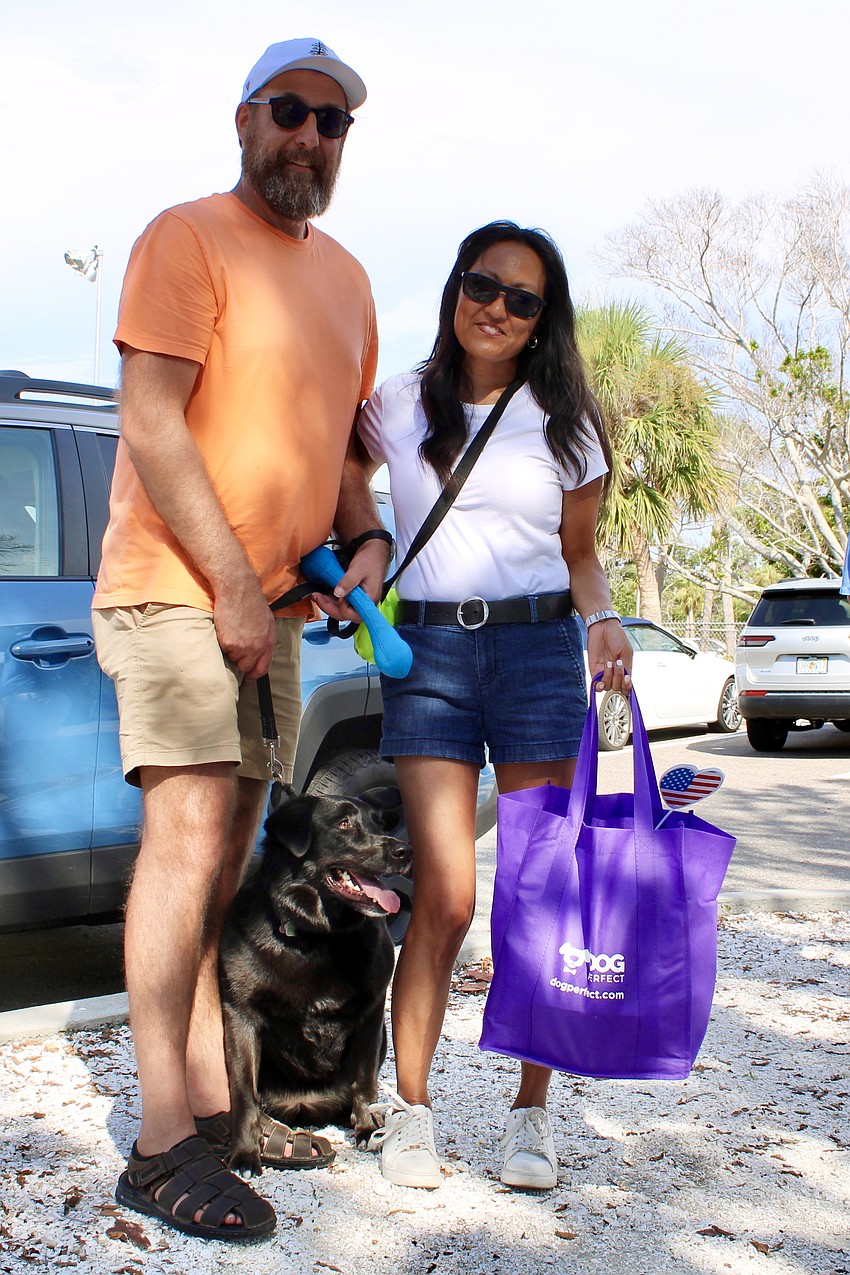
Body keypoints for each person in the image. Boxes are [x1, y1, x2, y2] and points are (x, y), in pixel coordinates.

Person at [91, 38, 390, 1240]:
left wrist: (360, 543)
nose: (309, 138)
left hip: (268, 609)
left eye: (331, 123)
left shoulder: (351, 279)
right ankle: (162, 1141)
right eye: (290, 112)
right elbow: (152, 420)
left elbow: (349, 454)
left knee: (231, 855)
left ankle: (217, 1102)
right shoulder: (186, 237)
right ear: (245, 118)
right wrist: (226, 578)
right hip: (175, 584)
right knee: (190, 829)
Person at [356, 221, 632, 1191]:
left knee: (533, 897)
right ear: (455, 286)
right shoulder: (392, 403)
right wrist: (366, 556)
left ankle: (529, 1118)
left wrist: (602, 622)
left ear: (541, 320)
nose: (499, 309)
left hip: (536, 651)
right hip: (426, 648)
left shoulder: (566, 422)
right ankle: (411, 1111)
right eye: (485, 284)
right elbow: (348, 491)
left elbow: (580, 554)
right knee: (447, 893)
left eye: (523, 299)